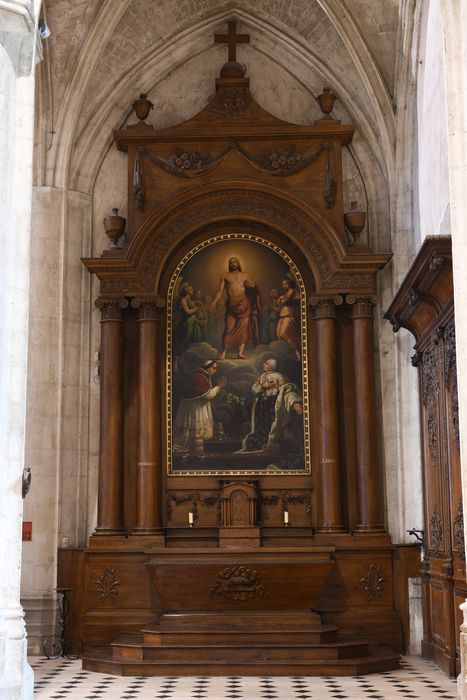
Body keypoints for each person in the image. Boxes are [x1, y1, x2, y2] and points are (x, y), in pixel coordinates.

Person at [173, 360, 227, 456]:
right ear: (207, 367)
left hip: (197, 407)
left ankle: (194, 451)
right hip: (195, 409)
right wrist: (218, 387)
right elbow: (207, 395)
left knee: (196, 436)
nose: (215, 371)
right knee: (194, 433)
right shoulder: (199, 377)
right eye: (214, 368)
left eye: (216, 368)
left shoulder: (203, 376)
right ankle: (189, 451)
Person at [211, 256, 260, 359]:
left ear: (238, 264)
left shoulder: (245, 274)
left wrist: (253, 286)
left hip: (245, 305)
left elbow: (251, 286)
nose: (233, 264)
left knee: (243, 330)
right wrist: (214, 302)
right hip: (232, 306)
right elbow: (220, 291)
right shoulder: (225, 275)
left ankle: (240, 353)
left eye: (235, 262)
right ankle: (224, 352)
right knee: (229, 329)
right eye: (231, 262)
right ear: (229, 264)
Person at [240, 358, 284, 452]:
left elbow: (282, 390)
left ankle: (270, 442)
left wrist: (275, 392)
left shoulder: (278, 376)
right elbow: (254, 390)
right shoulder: (262, 376)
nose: (263, 364)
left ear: (271, 366)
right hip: (261, 405)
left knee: (271, 422)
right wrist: (263, 386)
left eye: (266, 363)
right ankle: (261, 441)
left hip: (272, 404)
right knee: (260, 424)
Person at [265, 381, 304, 454]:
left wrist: (295, 403)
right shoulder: (270, 395)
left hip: (287, 423)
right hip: (276, 420)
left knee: (289, 437)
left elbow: (290, 395)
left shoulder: (285, 392)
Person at [173, 283, 204, 370]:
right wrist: (197, 308)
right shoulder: (183, 300)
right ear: (186, 290)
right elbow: (188, 312)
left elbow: (193, 306)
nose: (192, 290)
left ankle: (189, 362)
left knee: (194, 341)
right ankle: (176, 364)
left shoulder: (190, 300)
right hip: (187, 324)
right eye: (190, 289)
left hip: (193, 323)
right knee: (184, 342)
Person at [277, 277, 301, 360]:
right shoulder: (287, 293)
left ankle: (297, 350)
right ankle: (289, 352)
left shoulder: (291, 291)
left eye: (286, 284)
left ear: (289, 284)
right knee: (279, 334)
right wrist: (281, 298)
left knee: (283, 333)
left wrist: (281, 298)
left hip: (288, 314)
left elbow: (284, 301)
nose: (284, 286)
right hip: (283, 314)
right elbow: (280, 302)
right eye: (283, 284)